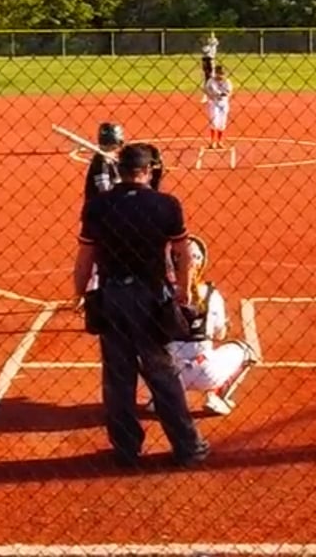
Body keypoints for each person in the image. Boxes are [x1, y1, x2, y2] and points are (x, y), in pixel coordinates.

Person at [72, 143, 209, 469]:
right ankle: (187, 448)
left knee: (118, 377)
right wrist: (183, 288)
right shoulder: (166, 204)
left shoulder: (98, 206)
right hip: (150, 296)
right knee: (162, 372)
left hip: (112, 296)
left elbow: (85, 256)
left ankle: (126, 450)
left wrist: (79, 293)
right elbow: (182, 251)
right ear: (148, 171)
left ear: (120, 171)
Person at [142, 236, 258, 417]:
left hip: (166, 372)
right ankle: (217, 396)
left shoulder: (158, 293)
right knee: (246, 350)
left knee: (142, 349)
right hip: (206, 371)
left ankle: (159, 396)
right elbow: (220, 334)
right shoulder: (212, 295)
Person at [203, 65, 233, 149]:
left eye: (222, 73)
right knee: (214, 122)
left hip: (223, 103)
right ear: (215, 73)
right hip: (213, 103)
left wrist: (222, 94)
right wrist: (210, 96)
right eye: (218, 73)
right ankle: (212, 142)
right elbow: (206, 89)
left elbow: (228, 92)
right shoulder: (211, 81)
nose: (220, 75)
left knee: (222, 123)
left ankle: (219, 142)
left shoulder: (227, 82)